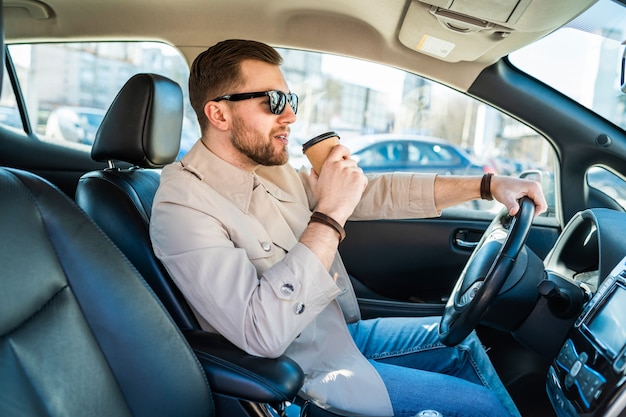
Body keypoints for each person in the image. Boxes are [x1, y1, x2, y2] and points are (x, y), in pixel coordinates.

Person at [150, 39, 548, 417]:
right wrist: (329, 215)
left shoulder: (271, 171)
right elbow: (261, 334)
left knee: (464, 344)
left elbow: (372, 192)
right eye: (273, 101)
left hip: (338, 336)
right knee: (479, 407)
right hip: (302, 375)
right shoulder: (183, 207)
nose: (289, 115)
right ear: (218, 113)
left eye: (291, 100)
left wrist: (487, 186)